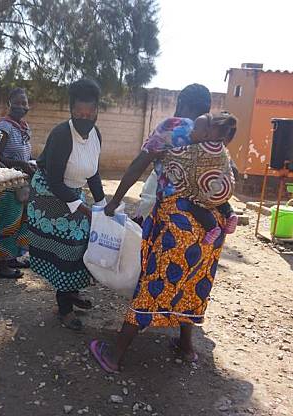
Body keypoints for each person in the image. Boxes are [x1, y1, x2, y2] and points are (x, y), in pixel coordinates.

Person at [89, 83, 226, 371]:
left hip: (176, 223)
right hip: (212, 227)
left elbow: (139, 165)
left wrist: (113, 202)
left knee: (154, 284)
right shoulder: (216, 135)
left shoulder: (172, 126)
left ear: (181, 102)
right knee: (193, 282)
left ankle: (115, 354)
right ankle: (186, 346)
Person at [27, 78, 106, 330]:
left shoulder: (96, 135)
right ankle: (64, 308)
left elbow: (92, 173)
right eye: (78, 112)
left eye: (90, 112)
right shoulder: (62, 134)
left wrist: (103, 204)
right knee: (67, 248)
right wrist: (85, 209)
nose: (85, 117)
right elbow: (55, 181)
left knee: (81, 244)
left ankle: (70, 291)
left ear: (96, 110)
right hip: (49, 194)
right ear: (71, 110)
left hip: (73, 192)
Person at [149, 112, 239, 244]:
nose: (191, 132)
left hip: (207, 192)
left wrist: (162, 154)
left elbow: (176, 157)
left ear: (206, 135)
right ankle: (230, 214)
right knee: (220, 201)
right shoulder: (221, 148)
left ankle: (212, 228)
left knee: (191, 203)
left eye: (195, 129)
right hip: (224, 190)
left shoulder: (197, 149)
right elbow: (233, 170)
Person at [0, 88, 36, 279]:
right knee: (7, 222)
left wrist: (32, 163)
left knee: (20, 222)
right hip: (8, 183)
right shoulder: (4, 127)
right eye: (17, 103)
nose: (21, 107)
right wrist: (20, 165)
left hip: (22, 182)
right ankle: (2, 265)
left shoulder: (24, 127)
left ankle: (12, 258)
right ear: (9, 103)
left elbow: (24, 154)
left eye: (24, 103)